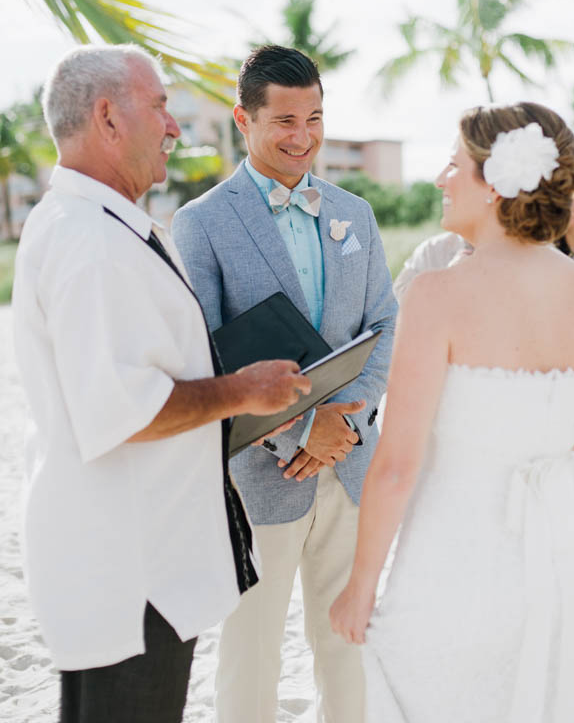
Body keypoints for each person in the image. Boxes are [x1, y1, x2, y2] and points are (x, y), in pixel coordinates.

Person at [11, 43, 312, 723]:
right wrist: (243, 390)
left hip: (134, 556)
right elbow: (125, 409)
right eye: (161, 107)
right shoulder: (90, 242)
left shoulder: (99, 223)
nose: (175, 128)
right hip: (128, 569)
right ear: (109, 118)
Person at [330, 102, 574, 722]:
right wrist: (545, 435)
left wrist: (361, 585)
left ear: (495, 183)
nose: (439, 179)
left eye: (453, 165)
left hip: (455, 559)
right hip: (559, 559)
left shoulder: (438, 294)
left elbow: (398, 465)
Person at [172, 45, 397, 723]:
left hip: (351, 465)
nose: (303, 138)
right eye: (284, 121)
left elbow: (385, 324)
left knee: (346, 640)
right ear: (244, 120)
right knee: (252, 647)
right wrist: (302, 427)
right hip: (258, 477)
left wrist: (346, 426)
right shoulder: (201, 223)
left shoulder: (355, 213)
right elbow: (205, 354)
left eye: (316, 118)